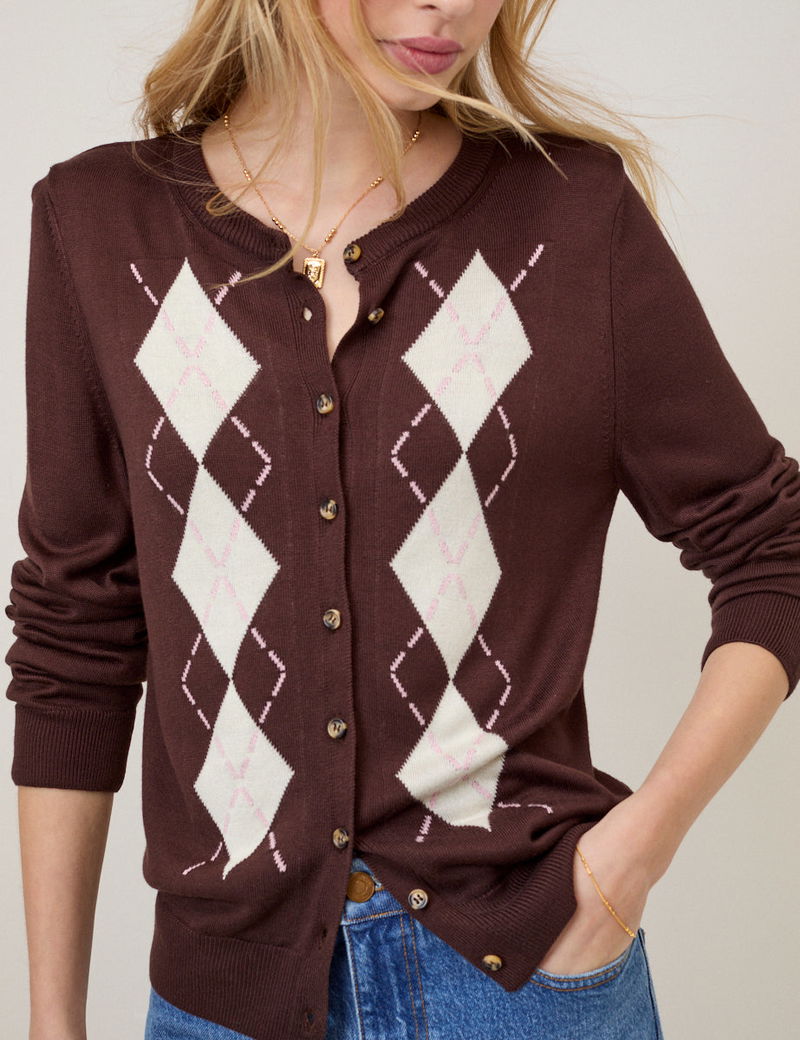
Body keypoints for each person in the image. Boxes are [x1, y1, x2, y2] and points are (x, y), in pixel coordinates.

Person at [6, 1, 799, 1039]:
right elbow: (77, 628)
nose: (451, 4)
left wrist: (633, 850)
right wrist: (52, 1019)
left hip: (520, 986)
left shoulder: (565, 216)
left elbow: (771, 545)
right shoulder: (102, 224)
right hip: (222, 1000)